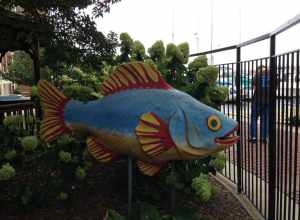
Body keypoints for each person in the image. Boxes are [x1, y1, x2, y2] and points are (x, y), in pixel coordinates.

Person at [249, 65, 270, 143]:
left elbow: (253, 87)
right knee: (265, 120)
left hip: (257, 100)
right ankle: (263, 138)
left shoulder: (256, 76)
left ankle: (254, 137)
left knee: (254, 119)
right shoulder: (271, 75)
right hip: (268, 101)